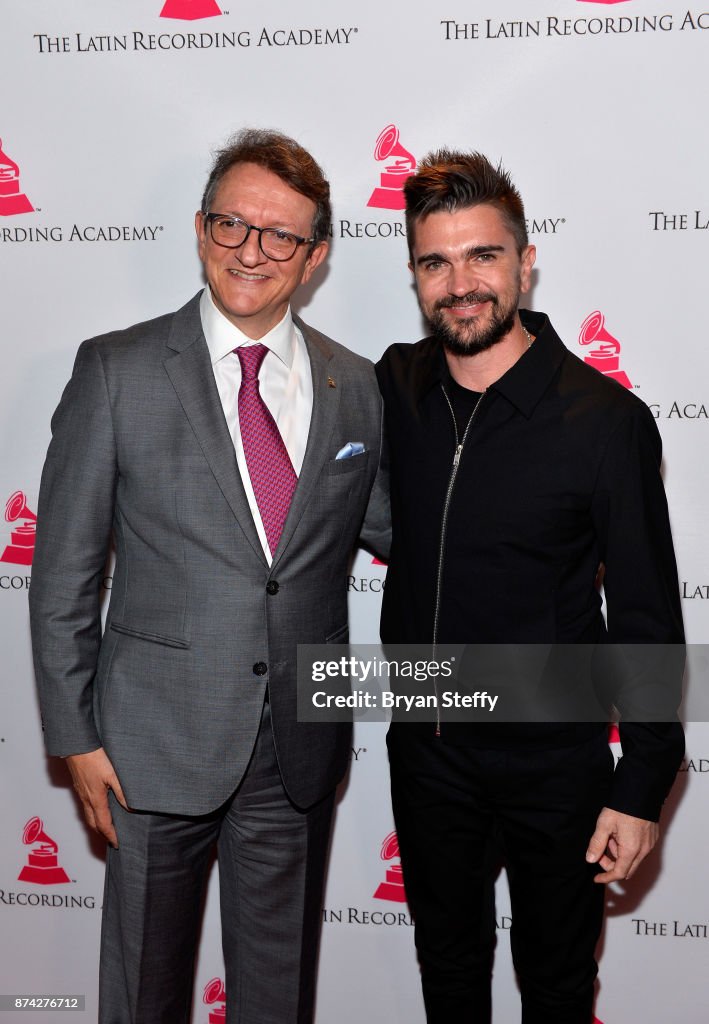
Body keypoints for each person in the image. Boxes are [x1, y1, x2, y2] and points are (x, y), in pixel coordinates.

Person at [29, 128, 388, 1024]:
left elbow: (400, 532)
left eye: (279, 236)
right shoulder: (116, 370)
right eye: (232, 224)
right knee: (142, 993)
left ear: (314, 257)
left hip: (297, 748)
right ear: (199, 230)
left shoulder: (359, 385)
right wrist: (74, 736)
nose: (250, 251)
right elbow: (63, 573)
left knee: (277, 997)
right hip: (151, 746)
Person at [376, 150, 684, 1023]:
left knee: (555, 986)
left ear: (524, 260)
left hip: (556, 764)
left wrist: (641, 780)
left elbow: (645, 616)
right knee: (447, 973)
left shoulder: (604, 421)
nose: (460, 283)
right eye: (435, 262)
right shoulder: (393, 386)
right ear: (413, 274)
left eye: (482, 256)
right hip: (428, 752)